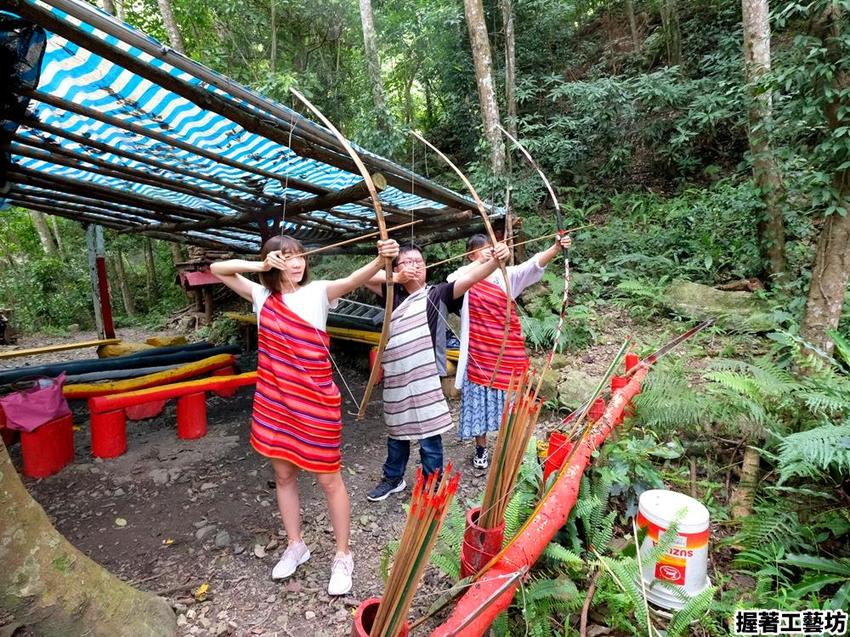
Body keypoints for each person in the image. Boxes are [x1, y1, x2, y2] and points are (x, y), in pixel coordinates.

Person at [210, 235, 399, 596]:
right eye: (287, 258)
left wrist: (379, 260)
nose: (296, 264)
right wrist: (261, 267)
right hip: (276, 403)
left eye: (300, 256)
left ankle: (343, 555)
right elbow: (219, 269)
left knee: (330, 480)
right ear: (272, 261)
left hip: (315, 403)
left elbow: (353, 280)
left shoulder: (318, 292)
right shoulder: (261, 296)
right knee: (283, 476)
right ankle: (296, 544)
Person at [363, 240, 511, 501]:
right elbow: (361, 278)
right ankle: (393, 478)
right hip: (397, 376)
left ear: (427, 268)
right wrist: (394, 276)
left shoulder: (437, 293)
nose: (414, 267)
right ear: (396, 269)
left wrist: (494, 261)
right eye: (406, 262)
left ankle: (433, 482)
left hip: (424, 376)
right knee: (397, 432)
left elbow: (470, 279)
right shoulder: (391, 294)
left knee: (429, 434)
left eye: (418, 262)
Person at [448, 233, 572, 469]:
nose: (489, 252)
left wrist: (555, 248)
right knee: (479, 404)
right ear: (470, 254)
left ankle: (510, 449)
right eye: (482, 250)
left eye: (491, 248)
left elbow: (533, 264)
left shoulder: (506, 275)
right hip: (479, 353)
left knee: (511, 405)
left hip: (506, 353)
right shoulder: (465, 275)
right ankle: (481, 449)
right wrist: (482, 263)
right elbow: (451, 281)